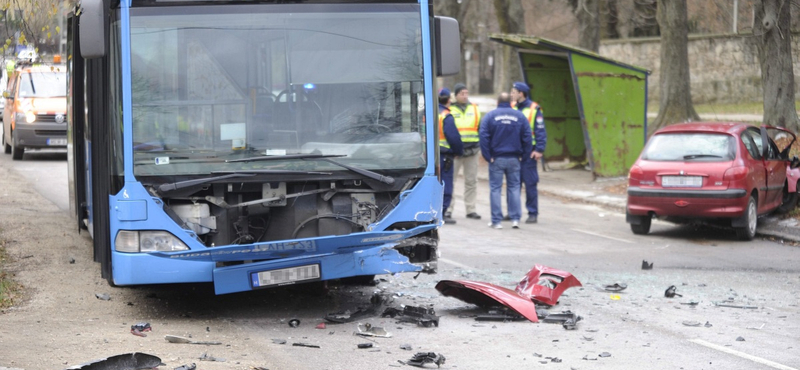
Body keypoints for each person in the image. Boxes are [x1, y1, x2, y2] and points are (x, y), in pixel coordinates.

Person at [479, 92, 532, 229]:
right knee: (514, 188)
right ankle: (515, 219)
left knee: (495, 189)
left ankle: (496, 221)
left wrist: (487, 155)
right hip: (514, 158)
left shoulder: (490, 116)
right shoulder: (520, 116)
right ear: (511, 101)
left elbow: (483, 136)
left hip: (496, 158)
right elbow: (527, 137)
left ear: (497, 102)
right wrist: (524, 156)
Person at [511, 81, 548, 224]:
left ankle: (533, 213)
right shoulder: (512, 107)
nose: (512, 94)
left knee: (530, 183)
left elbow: (540, 131)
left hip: (529, 152)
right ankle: (513, 212)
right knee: (514, 183)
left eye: (514, 91)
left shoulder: (534, 109)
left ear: (521, 93)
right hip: (514, 151)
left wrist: (539, 149)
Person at [446, 83, 482, 220]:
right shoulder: (450, 109)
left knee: (471, 181)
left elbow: (480, 128)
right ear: (455, 95)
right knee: (451, 181)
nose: (465, 96)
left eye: (466, 93)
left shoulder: (475, 108)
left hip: (472, 151)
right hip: (455, 152)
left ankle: (471, 209)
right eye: (462, 93)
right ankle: (448, 208)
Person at [438, 87, 464, 225]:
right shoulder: (446, 116)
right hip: (445, 156)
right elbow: (453, 137)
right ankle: (442, 212)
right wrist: (459, 152)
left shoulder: (425, 113)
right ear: (449, 100)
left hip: (427, 156)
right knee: (445, 184)